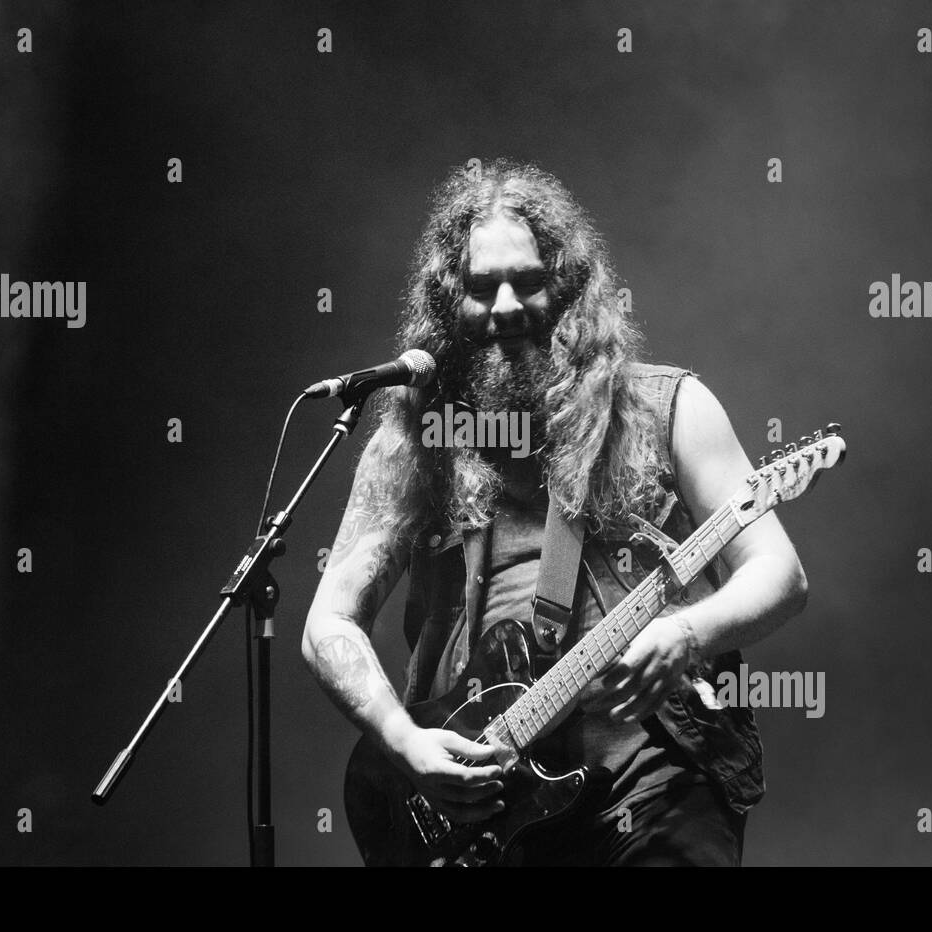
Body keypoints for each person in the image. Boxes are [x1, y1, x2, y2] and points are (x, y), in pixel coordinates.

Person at [301, 159, 808, 865]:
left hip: (655, 777)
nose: (506, 305)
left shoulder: (666, 408)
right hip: (490, 806)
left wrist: (690, 631)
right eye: (481, 288)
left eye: (528, 281)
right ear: (449, 303)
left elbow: (778, 572)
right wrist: (403, 740)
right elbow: (329, 621)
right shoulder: (416, 440)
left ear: (569, 288)